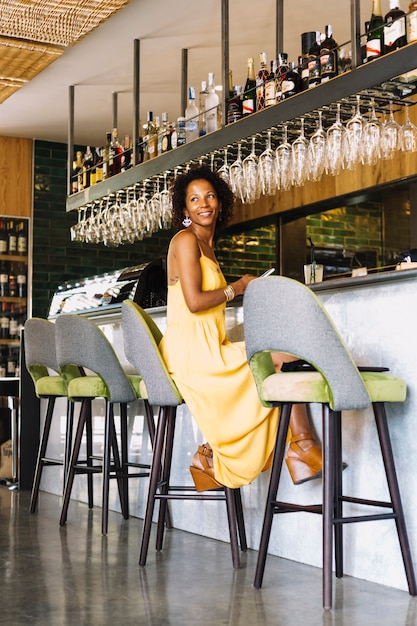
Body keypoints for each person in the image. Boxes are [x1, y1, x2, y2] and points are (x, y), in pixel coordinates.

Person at [158, 164, 322, 490]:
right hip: (192, 354)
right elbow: (194, 302)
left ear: (220, 202)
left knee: (280, 360)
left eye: (210, 196)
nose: (204, 204)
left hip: (209, 347)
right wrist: (239, 287)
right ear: (184, 208)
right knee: (280, 360)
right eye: (194, 199)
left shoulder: (206, 245)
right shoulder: (185, 240)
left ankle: (210, 455)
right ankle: (300, 448)